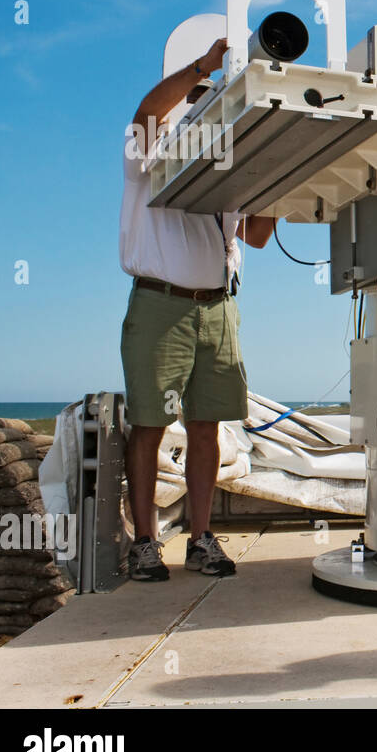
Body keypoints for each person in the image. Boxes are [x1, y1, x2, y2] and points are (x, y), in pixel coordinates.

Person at [119, 37, 275, 582]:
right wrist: (202, 67)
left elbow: (255, 236)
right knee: (149, 424)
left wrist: (272, 178)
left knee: (206, 425)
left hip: (219, 308)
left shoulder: (230, 167)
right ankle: (144, 544)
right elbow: (145, 113)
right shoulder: (150, 152)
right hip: (160, 303)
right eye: (202, 92)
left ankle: (202, 539)